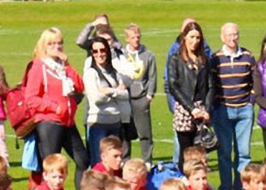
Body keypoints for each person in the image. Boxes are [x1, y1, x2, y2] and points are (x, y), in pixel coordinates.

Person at [24, 28, 88, 190]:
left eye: (59, 43)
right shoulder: (39, 66)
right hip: (50, 122)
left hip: (68, 121)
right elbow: (30, 98)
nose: (56, 47)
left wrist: (67, 65)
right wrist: (54, 107)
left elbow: (80, 86)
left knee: (83, 160)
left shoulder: (62, 66)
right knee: (52, 168)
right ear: (44, 46)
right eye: (51, 44)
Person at [211, 22, 257, 190]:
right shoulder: (215, 58)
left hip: (244, 110)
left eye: (235, 34)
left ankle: (241, 188)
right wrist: (216, 104)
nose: (233, 38)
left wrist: (250, 101)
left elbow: (255, 81)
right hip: (222, 110)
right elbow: (212, 84)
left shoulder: (247, 56)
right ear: (222, 37)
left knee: (244, 152)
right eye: (229, 35)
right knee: (224, 151)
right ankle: (225, 187)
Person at [165, 21, 215, 162]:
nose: (195, 41)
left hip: (202, 109)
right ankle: (185, 181)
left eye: (198, 38)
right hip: (185, 109)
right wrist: (191, 108)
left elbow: (210, 86)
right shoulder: (176, 59)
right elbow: (173, 86)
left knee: (200, 153)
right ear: (184, 37)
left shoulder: (204, 60)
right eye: (192, 37)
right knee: (185, 153)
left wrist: (207, 109)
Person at [82, 37, 130, 167]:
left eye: (102, 50)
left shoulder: (114, 71)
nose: (99, 54)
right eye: (95, 51)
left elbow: (125, 94)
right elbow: (96, 98)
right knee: (99, 163)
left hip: (115, 122)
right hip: (98, 123)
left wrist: (109, 91)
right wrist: (116, 93)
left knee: (114, 163)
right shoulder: (90, 73)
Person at [116, 23, 156, 161]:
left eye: (138, 37)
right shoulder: (121, 55)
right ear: (127, 39)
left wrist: (150, 95)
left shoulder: (148, 55)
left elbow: (152, 76)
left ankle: (147, 161)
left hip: (141, 98)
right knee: (125, 131)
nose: (136, 40)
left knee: (145, 132)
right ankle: (125, 160)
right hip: (125, 98)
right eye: (133, 37)